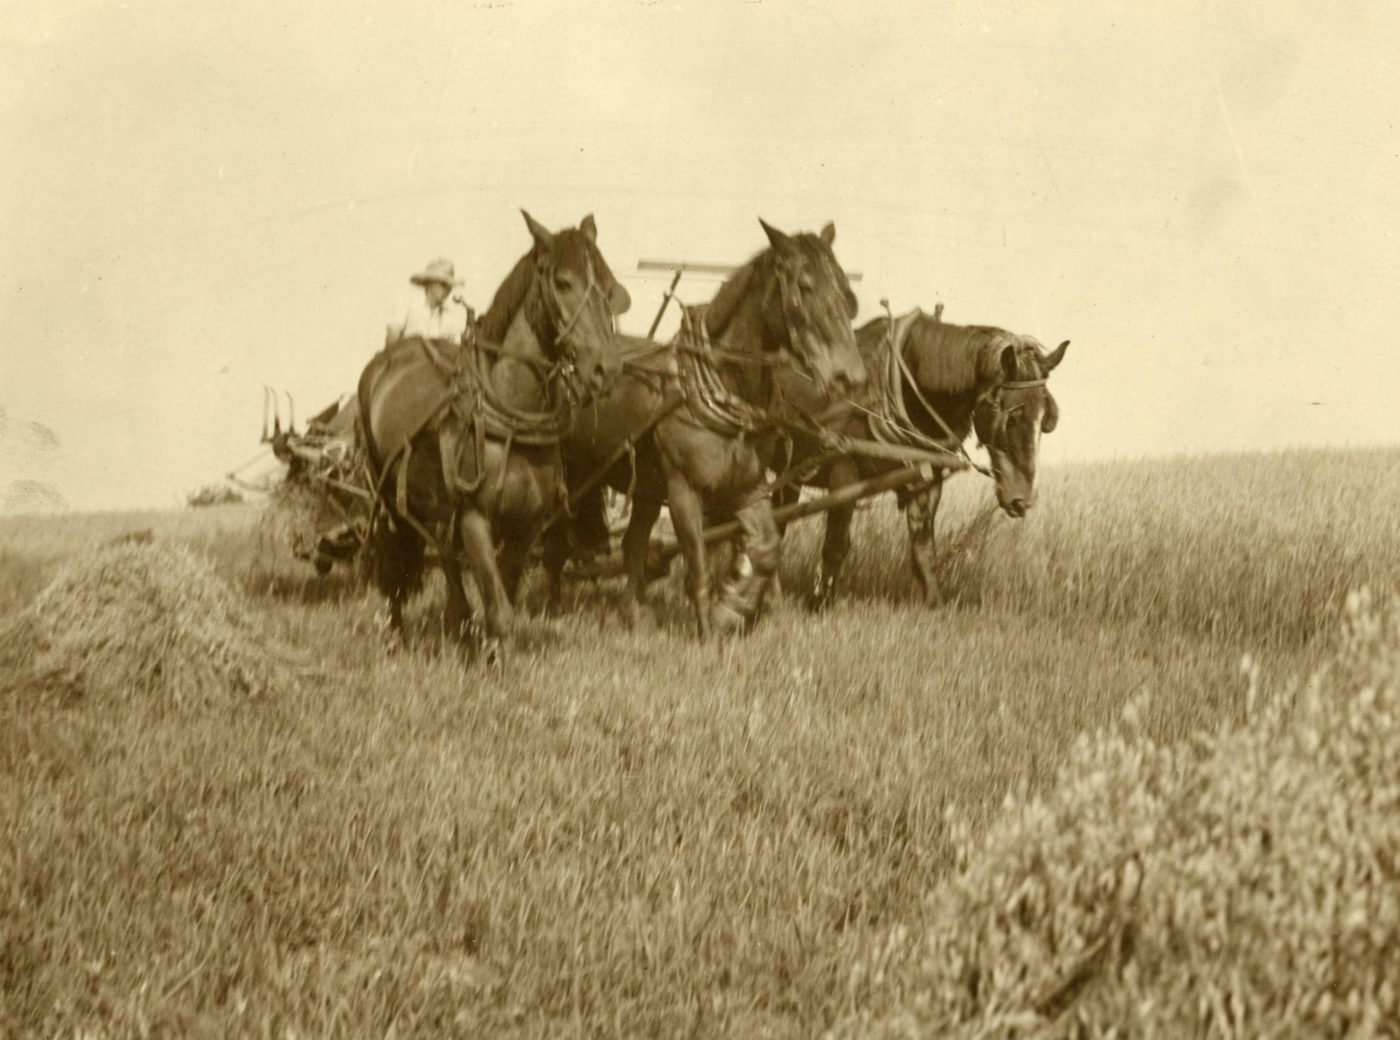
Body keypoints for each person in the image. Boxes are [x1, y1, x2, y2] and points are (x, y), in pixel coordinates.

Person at [384, 258, 470, 347]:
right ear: (430, 283)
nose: (447, 289)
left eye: (450, 286)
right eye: (443, 284)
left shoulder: (450, 316)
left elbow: (454, 348)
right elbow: (392, 339)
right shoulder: (407, 303)